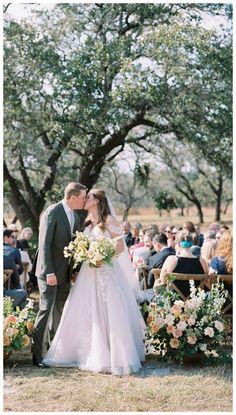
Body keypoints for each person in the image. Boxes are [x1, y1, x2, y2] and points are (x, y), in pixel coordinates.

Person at [42, 189, 145, 375]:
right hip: (88, 272)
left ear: (97, 201)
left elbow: (120, 246)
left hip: (106, 272)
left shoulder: (109, 221)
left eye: (88, 197)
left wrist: (102, 256)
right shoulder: (87, 222)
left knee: (109, 311)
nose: (85, 199)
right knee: (84, 308)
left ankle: (113, 354)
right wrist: (85, 256)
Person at [31, 182, 87, 367]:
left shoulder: (76, 216)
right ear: (72, 197)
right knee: (46, 309)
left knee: (60, 311)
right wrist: (49, 272)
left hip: (66, 273)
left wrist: (75, 270)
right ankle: (36, 354)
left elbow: (75, 245)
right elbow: (44, 244)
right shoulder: (52, 212)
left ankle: (54, 351)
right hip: (50, 272)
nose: (84, 200)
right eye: (82, 197)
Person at [157, 231, 208, 297]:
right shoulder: (202, 262)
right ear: (192, 243)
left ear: (178, 243)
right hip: (196, 302)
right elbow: (206, 281)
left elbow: (163, 280)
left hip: (174, 303)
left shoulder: (172, 260)